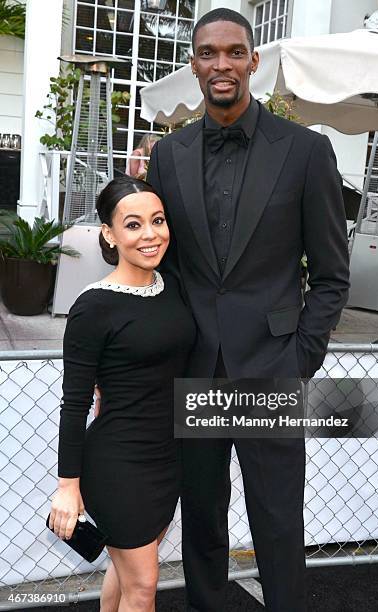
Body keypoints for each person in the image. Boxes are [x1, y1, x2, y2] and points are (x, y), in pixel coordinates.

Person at [100, 8, 350, 612]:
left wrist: (299, 360)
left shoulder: (307, 151)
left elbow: (333, 275)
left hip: (272, 369)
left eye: (234, 52)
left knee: (278, 520)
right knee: (202, 525)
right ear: (194, 64)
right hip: (195, 366)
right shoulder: (170, 155)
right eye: (208, 53)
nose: (222, 64)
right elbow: (164, 268)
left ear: (252, 62)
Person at [49, 176, 196, 612]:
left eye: (158, 220)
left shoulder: (172, 288)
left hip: (167, 457)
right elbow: (74, 404)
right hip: (117, 463)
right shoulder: (93, 306)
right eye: (133, 225)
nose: (150, 234)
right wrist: (68, 486)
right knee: (145, 585)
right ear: (109, 235)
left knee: (127, 570)